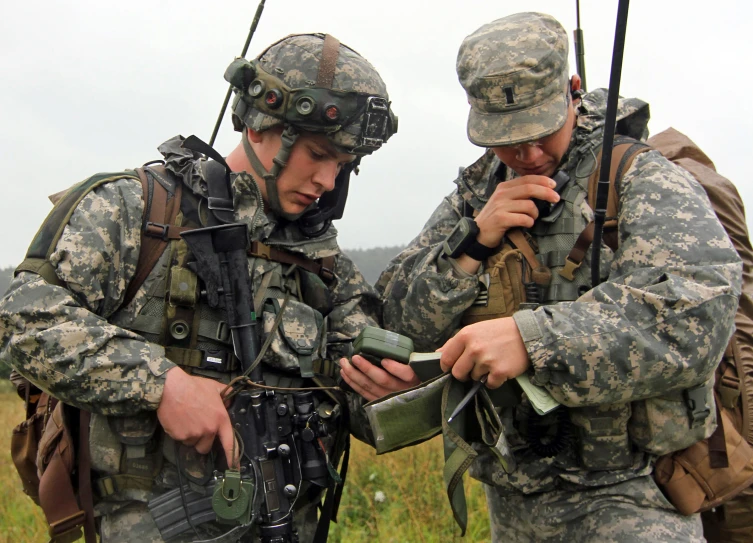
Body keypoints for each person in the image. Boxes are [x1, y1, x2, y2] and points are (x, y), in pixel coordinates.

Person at [341, 12, 742, 542]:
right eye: (507, 139)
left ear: (573, 93)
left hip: (631, 496)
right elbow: (395, 318)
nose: (526, 154)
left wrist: (534, 340)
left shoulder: (638, 178)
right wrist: (471, 245)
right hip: (512, 499)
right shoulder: (475, 195)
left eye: (540, 132)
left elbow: (698, 312)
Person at [0, 32, 405, 542]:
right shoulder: (135, 211)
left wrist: (379, 388)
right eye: (318, 154)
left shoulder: (321, 264)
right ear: (262, 124)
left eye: (344, 165)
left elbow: (362, 404)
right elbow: (23, 318)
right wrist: (163, 385)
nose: (328, 179)